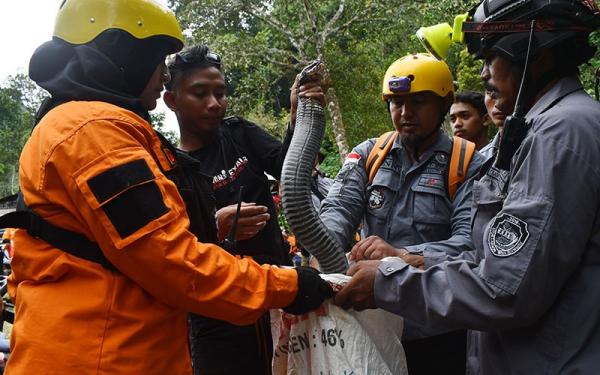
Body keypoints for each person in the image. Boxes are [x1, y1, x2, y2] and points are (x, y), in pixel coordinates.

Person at [5, 1, 332, 374]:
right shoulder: (91, 135)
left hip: (126, 343)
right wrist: (287, 286)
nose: (163, 76)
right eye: (158, 60)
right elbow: (171, 260)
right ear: (124, 54)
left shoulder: (107, 128)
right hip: (101, 354)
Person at [334, 1, 600, 374]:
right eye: (396, 103)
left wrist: (390, 279)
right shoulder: (541, 129)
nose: (485, 73)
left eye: (492, 57)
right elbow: (497, 254)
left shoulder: (557, 135)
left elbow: (505, 287)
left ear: (530, 53)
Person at [163, 43, 326, 374]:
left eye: (220, 92)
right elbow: (170, 251)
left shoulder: (238, 134)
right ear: (171, 100)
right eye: (200, 93)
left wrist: (298, 118)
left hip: (281, 301)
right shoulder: (170, 169)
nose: (214, 103)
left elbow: (288, 169)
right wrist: (215, 226)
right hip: (217, 322)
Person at [319, 52, 484, 375]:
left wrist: (399, 256)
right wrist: (319, 254)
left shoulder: (468, 164)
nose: (405, 113)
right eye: (396, 103)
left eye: (418, 102)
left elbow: (470, 245)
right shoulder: (370, 154)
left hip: (437, 330)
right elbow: (338, 210)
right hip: (373, 326)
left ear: (443, 103)